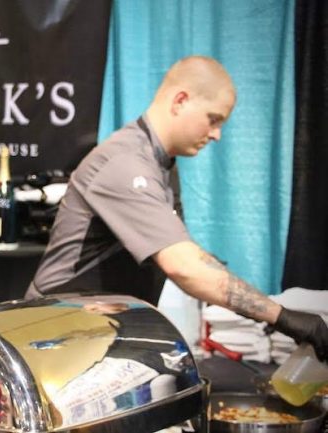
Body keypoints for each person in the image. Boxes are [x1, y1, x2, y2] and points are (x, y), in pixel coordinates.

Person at [25, 55, 328, 361]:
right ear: (180, 100)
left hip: (97, 331)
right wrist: (282, 316)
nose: (216, 134)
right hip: (53, 335)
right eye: (214, 119)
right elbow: (183, 265)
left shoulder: (163, 165)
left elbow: (186, 252)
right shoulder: (125, 162)